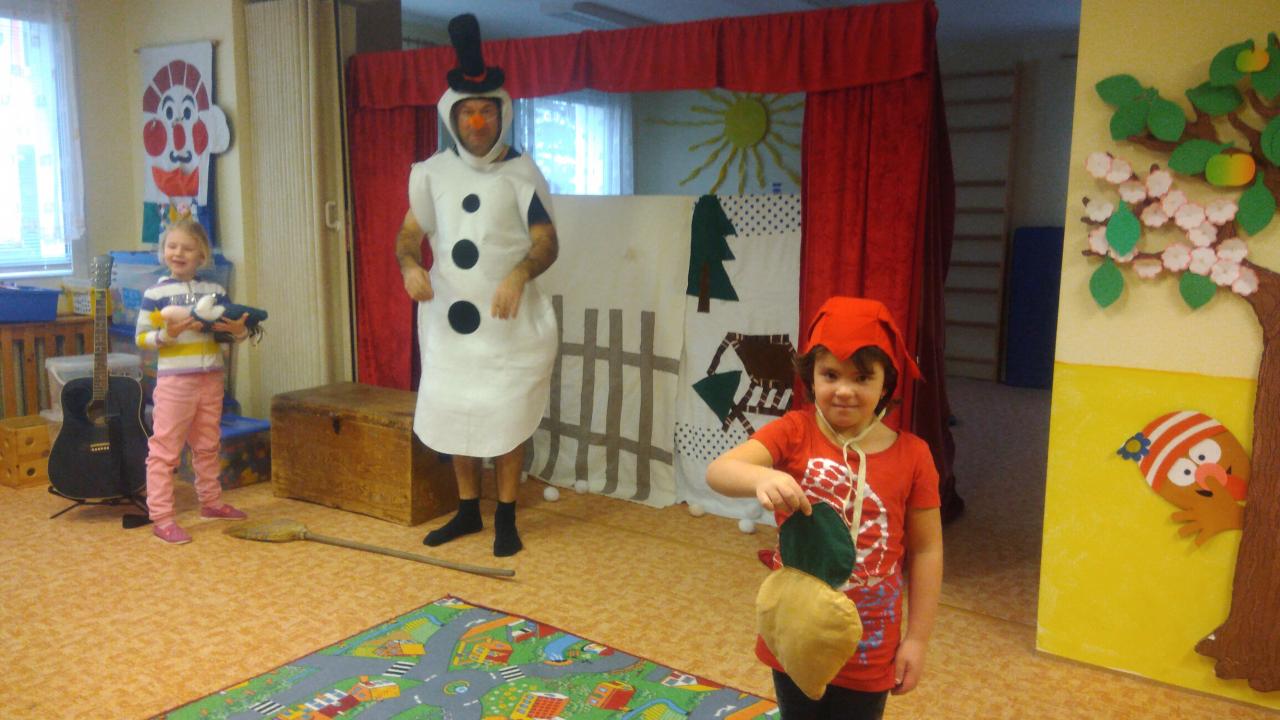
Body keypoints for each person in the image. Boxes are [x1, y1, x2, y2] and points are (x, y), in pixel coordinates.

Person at [706, 297, 943, 720]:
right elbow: (720, 471)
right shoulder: (794, 431)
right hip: (795, 631)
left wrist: (918, 640)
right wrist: (761, 478)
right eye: (830, 374)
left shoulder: (914, 455)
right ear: (811, 377)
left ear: (886, 383)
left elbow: (927, 550)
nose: (844, 390)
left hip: (869, 644)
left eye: (862, 377)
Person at [395, 14, 558, 557]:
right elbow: (408, 236)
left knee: (506, 416)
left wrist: (518, 274)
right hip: (449, 323)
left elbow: (547, 242)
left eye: (487, 110)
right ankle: (468, 510)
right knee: (457, 411)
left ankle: (506, 516)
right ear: (453, 116)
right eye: (468, 111)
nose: (478, 120)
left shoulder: (522, 173)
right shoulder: (432, 173)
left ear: (501, 113)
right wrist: (410, 267)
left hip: (507, 323)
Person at [136, 218, 251, 544]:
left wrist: (239, 331)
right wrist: (167, 335)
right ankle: (161, 517)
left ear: (202, 255)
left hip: (211, 378)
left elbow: (232, 334)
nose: (178, 253)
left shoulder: (215, 292)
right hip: (175, 382)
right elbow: (142, 338)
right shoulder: (156, 294)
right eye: (172, 246)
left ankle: (211, 503)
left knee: (208, 444)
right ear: (163, 252)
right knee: (165, 450)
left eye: (187, 248)